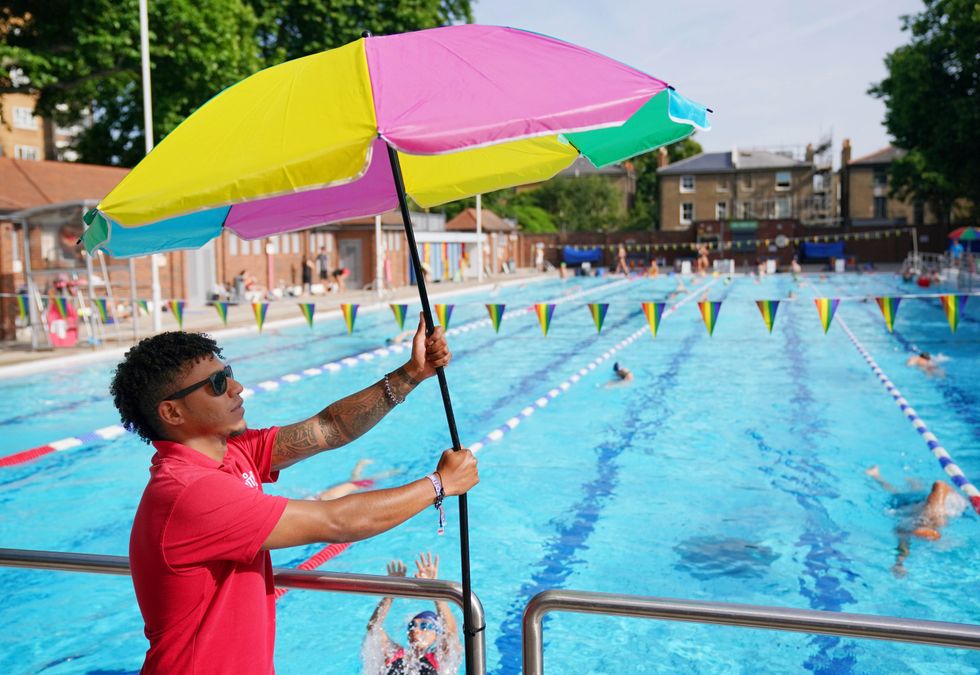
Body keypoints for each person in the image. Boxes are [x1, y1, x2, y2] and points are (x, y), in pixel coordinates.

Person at [111, 315, 478, 673]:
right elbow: (337, 522)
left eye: (229, 373)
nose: (237, 387)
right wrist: (439, 484)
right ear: (172, 412)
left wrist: (412, 374)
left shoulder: (232, 454)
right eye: (217, 383)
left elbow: (328, 427)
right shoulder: (191, 492)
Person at [366, 553, 461, 675]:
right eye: (412, 625)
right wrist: (390, 594)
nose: (415, 630)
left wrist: (436, 591)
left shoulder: (441, 660)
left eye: (424, 626)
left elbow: (451, 633)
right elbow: (373, 627)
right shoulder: (395, 654)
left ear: (437, 634)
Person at [866, 466, 967, 577]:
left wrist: (899, 563)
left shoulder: (908, 526)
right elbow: (903, 546)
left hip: (908, 507)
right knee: (905, 491)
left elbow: (903, 547)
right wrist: (899, 564)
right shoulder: (935, 516)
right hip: (914, 506)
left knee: (901, 492)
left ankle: (878, 476)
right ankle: (879, 476)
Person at [314, 459, 401, 501]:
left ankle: (397, 471)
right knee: (356, 478)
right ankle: (360, 465)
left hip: (359, 486)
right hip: (356, 485)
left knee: (377, 478)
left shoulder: (327, 497)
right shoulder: (324, 496)